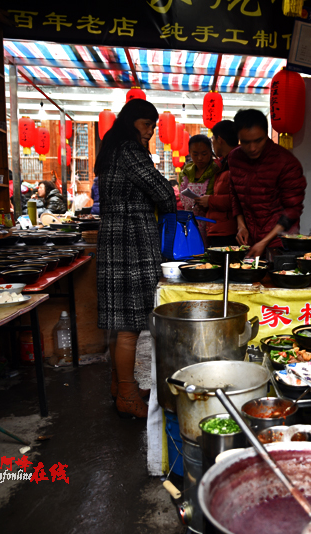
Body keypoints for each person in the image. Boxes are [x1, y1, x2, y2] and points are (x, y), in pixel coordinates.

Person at [94, 98, 177, 419]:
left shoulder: (113, 150)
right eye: (147, 125)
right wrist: (169, 198)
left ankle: (120, 385)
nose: (151, 132)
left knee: (119, 324)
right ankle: (127, 396)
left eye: (154, 126)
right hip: (131, 240)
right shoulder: (129, 151)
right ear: (132, 123)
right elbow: (162, 191)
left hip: (116, 237)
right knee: (129, 324)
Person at [228, 109, 306, 258]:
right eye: (245, 142)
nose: (252, 148)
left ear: (266, 134)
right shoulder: (234, 158)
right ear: (238, 138)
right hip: (250, 240)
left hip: (280, 242)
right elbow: (234, 194)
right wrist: (241, 225)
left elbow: (292, 210)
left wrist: (264, 242)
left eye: (258, 140)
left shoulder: (286, 162)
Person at [204, 120, 242, 247]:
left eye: (212, 139)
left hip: (230, 230)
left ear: (219, 139)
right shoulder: (224, 162)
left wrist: (209, 201)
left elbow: (237, 198)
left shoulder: (237, 161)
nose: (212, 143)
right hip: (221, 228)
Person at [179, 134, 218, 244]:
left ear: (211, 152)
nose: (200, 158)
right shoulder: (186, 172)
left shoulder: (216, 171)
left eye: (204, 154)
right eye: (195, 154)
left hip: (209, 225)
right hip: (189, 223)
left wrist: (208, 201)